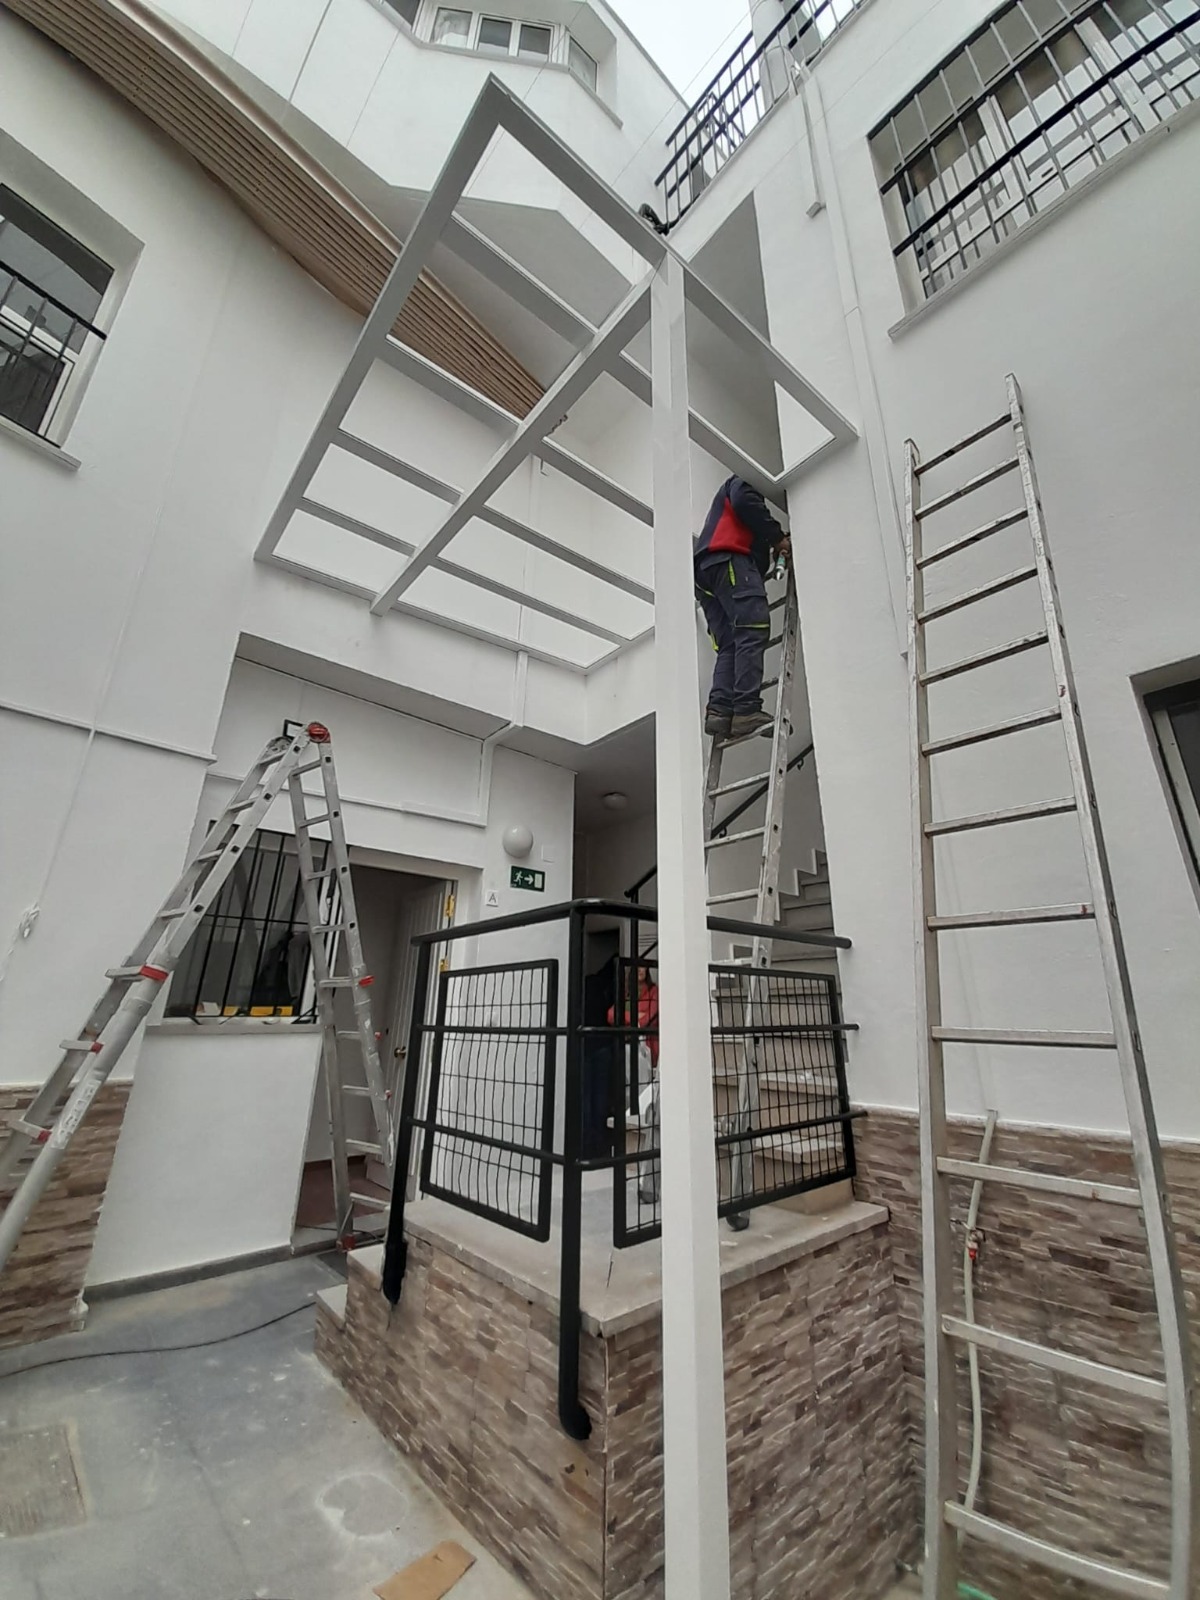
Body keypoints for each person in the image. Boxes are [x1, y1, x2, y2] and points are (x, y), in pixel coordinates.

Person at [694, 475, 791, 740]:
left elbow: (746, 516)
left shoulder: (730, 511)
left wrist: (771, 544)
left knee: (730, 644)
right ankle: (747, 709)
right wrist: (777, 537)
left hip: (707, 572)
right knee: (752, 629)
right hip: (728, 558)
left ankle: (719, 710)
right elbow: (744, 500)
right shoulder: (745, 477)